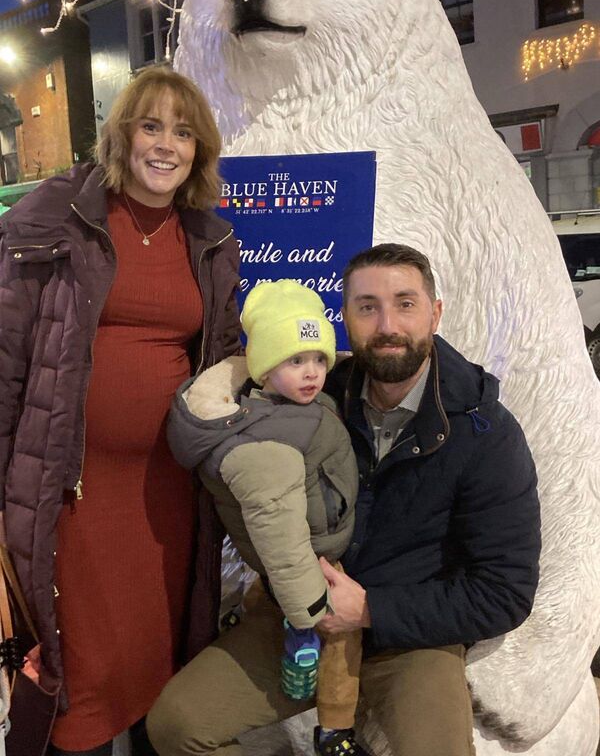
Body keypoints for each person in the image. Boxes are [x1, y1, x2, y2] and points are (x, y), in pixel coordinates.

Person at [146, 243, 541, 756]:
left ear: (435, 313)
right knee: (176, 726)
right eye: (366, 307)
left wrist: (371, 609)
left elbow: (504, 592)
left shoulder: (484, 432)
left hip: (410, 635)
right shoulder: (311, 395)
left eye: (405, 303)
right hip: (300, 620)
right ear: (345, 318)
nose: (386, 325)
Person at [0, 66, 241, 756]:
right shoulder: (55, 220)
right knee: (80, 673)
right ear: (122, 135)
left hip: (167, 496)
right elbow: (7, 358)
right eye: (152, 125)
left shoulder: (209, 241)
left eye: (184, 131)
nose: (166, 144)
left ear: (199, 151)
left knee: (152, 654)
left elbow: (220, 354)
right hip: (69, 495)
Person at [166, 280, 369, 756]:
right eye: (295, 360)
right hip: (317, 567)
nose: (313, 372)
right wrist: (313, 613)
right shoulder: (267, 444)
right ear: (263, 367)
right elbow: (281, 536)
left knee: (269, 593)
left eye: (319, 358)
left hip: (305, 551)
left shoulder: (284, 409)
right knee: (342, 644)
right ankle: (336, 729)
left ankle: (273, 621)